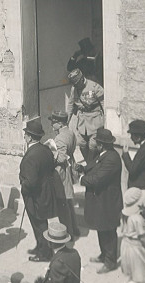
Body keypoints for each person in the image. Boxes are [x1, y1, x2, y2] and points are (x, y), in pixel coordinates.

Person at [77, 128, 123, 273]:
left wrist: (81, 179)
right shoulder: (102, 155)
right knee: (101, 228)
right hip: (101, 201)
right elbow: (93, 167)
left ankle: (110, 262)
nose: (94, 144)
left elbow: (98, 179)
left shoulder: (112, 159)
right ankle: (104, 255)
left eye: (97, 142)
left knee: (109, 230)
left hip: (108, 202)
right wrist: (81, 168)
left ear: (101, 145)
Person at [19, 117, 60, 262]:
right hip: (46, 192)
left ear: (30, 137)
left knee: (39, 224)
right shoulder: (45, 149)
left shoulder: (32, 156)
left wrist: (23, 187)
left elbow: (30, 182)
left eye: (25, 134)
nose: (24, 136)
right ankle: (40, 246)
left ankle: (45, 253)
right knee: (41, 223)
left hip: (35, 196)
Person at [47, 111, 80, 239]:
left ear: (60, 124)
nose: (52, 125)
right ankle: (75, 228)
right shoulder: (70, 133)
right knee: (69, 201)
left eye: (53, 123)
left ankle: (69, 232)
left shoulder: (60, 138)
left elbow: (60, 159)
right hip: (69, 167)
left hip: (62, 172)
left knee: (62, 203)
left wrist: (50, 153)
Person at [66, 69, 104, 163]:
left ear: (82, 79)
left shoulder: (95, 87)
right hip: (82, 121)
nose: (75, 86)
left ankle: (91, 164)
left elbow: (104, 103)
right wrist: (67, 120)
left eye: (77, 84)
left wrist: (106, 120)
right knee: (81, 143)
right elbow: (71, 104)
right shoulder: (74, 89)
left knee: (93, 145)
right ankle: (89, 163)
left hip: (95, 120)